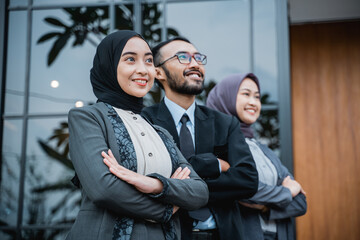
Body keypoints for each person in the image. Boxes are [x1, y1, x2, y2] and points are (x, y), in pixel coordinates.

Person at [66, 30, 208, 240]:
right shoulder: (88, 118)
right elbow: (104, 189)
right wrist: (167, 209)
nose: (143, 70)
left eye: (149, 61)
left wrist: (157, 185)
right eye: (130, 59)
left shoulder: (159, 131)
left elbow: (199, 191)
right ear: (109, 65)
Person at [141, 37, 258, 240]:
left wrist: (178, 186)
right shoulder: (145, 122)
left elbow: (247, 180)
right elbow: (146, 179)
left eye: (198, 58)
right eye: (183, 57)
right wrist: (212, 164)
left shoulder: (225, 123)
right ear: (158, 72)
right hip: (168, 234)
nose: (195, 64)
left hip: (223, 234)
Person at [206, 73, 307, 240]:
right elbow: (243, 190)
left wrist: (266, 207)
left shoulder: (264, 150)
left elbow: (301, 203)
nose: (253, 102)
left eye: (257, 97)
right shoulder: (219, 146)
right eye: (246, 94)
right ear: (226, 98)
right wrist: (287, 192)